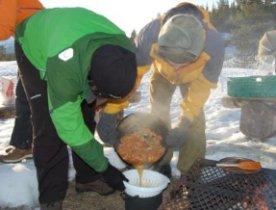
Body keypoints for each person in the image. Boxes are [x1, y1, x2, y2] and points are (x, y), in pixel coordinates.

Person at [15, 7, 144, 209]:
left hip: (73, 39)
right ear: (91, 81)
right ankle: (51, 198)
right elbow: (68, 128)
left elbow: (99, 91)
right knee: (49, 126)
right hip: (34, 41)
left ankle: (87, 178)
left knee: (86, 113)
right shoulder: (65, 71)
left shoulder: (125, 52)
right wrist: (105, 167)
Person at [135, 3, 225, 177]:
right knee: (157, 116)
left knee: (195, 122)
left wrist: (185, 122)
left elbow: (202, 89)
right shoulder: (149, 35)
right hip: (161, 74)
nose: (176, 68)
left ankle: (191, 173)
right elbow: (134, 75)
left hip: (194, 78)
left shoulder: (214, 45)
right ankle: (160, 163)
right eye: (171, 59)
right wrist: (115, 106)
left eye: (183, 61)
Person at [0, 0, 43, 163]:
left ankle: (24, 145)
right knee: (27, 92)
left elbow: (3, 28)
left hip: (31, 35)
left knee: (28, 93)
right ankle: (26, 143)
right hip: (34, 33)